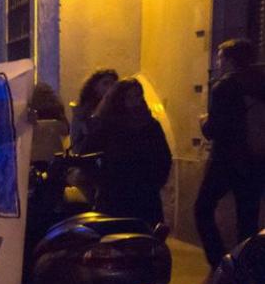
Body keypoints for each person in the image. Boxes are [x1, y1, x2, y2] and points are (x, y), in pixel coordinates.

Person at [194, 38, 265, 284]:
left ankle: (221, 266)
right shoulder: (261, 82)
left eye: (221, 57)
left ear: (231, 60)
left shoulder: (225, 86)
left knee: (202, 209)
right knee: (248, 220)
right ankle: (248, 275)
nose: (218, 62)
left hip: (227, 161)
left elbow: (216, 129)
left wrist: (204, 123)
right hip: (257, 162)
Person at [80, 78, 171, 226]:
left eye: (138, 96)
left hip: (145, 197)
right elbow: (86, 155)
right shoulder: (108, 126)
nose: (135, 101)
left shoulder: (150, 125)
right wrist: (102, 180)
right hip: (115, 197)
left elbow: (164, 157)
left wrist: (154, 182)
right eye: (130, 97)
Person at [70, 69, 119, 149]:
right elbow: (89, 131)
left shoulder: (117, 107)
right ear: (94, 87)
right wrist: (105, 100)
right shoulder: (82, 109)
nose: (110, 88)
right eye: (105, 83)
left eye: (113, 84)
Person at [29, 82, 69, 164]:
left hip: (34, 156)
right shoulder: (58, 114)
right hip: (55, 156)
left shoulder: (30, 115)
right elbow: (66, 131)